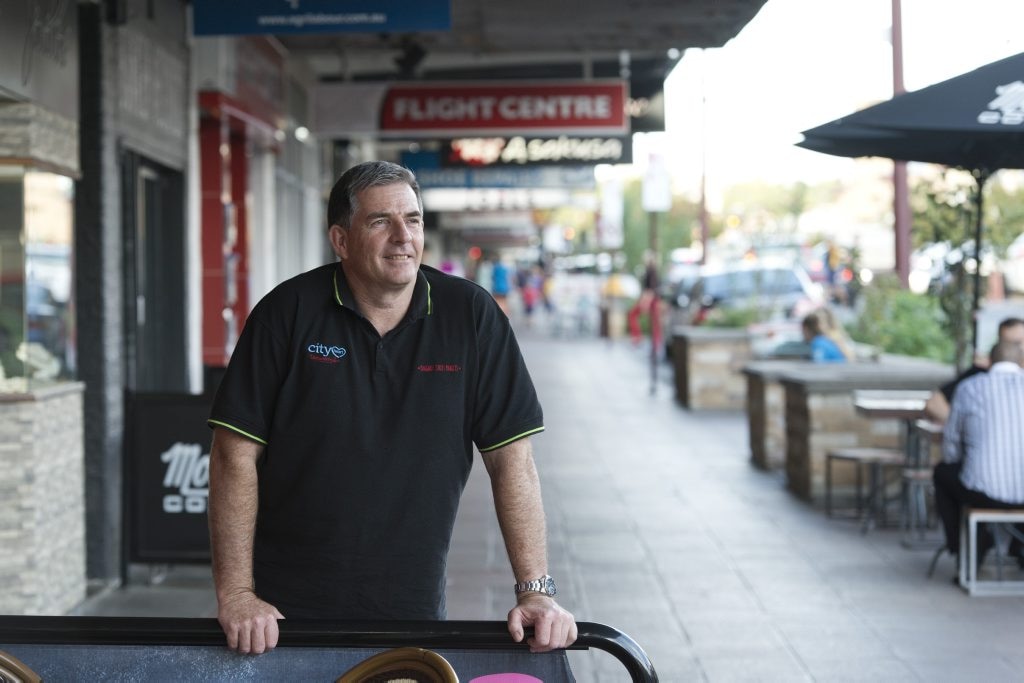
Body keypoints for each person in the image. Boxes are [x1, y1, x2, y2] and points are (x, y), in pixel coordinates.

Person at [206, 161, 576, 655]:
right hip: (281, 617)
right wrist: (236, 595)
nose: (403, 236)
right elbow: (233, 454)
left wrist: (536, 590)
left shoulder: (470, 316)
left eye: (414, 220)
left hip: (412, 606)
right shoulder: (286, 313)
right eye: (381, 221)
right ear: (341, 239)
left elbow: (512, 461)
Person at [933, 339, 1024, 563]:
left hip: (982, 491)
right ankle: (1016, 548)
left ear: (989, 362)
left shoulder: (970, 387)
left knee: (943, 473)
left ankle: (964, 552)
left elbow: (951, 446)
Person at [923, 317, 1024, 423]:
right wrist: (963, 424)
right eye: (1008, 344)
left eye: (1018, 343)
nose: (1015, 350)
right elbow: (934, 403)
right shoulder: (981, 372)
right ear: (998, 344)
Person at [627, 251, 661, 347]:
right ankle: (654, 341)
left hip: (650, 299)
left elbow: (650, 289)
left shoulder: (651, 271)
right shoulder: (651, 271)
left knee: (634, 314)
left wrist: (645, 302)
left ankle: (639, 337)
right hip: (651, 298)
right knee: (654, 321)